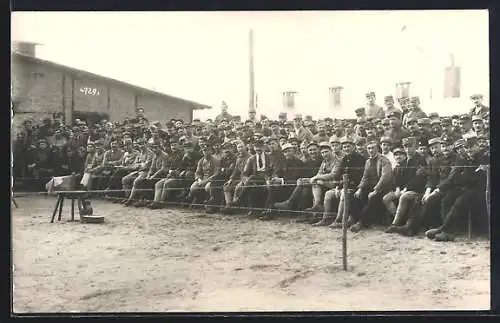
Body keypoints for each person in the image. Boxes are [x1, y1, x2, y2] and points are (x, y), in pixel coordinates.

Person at [425, 137, 489, 241]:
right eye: (467, 148)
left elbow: (478, 179)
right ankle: (447, 231)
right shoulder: (463, 159)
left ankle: (444, 229)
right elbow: (454, 178)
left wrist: (464, 176)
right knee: (447, 199)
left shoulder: (485, 158)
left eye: (471, 147)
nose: (469, 150)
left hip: (482, 190)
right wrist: (438, 189)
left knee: (461, 201)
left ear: (477, 146)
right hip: (466, 188)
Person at [351, 140, 394, 232]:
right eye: (369, 148)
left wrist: (376, 190)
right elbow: (365, 177)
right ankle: (358, 219)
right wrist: (360, 189)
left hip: (383, 188)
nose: (370, 150)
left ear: (377, 148)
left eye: (372, 148)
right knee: (355, 195)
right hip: (371, 187)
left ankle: (361, 223)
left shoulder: (384, 160)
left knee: (373, 198)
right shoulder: (368, 162)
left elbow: (385, 177)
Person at [327, 136, 367, 229]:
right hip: (345, 185)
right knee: (330, 193)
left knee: (344, 194)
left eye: (348, 146)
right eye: (344, 147)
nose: (346, 149)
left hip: (356, 186)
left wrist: (347, 186)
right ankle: (329, 218)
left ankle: (339, 220)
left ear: (353, 147)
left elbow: (361, 176)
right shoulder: (344, 159)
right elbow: (340, 174)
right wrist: (338, 186)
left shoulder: (360, 159)